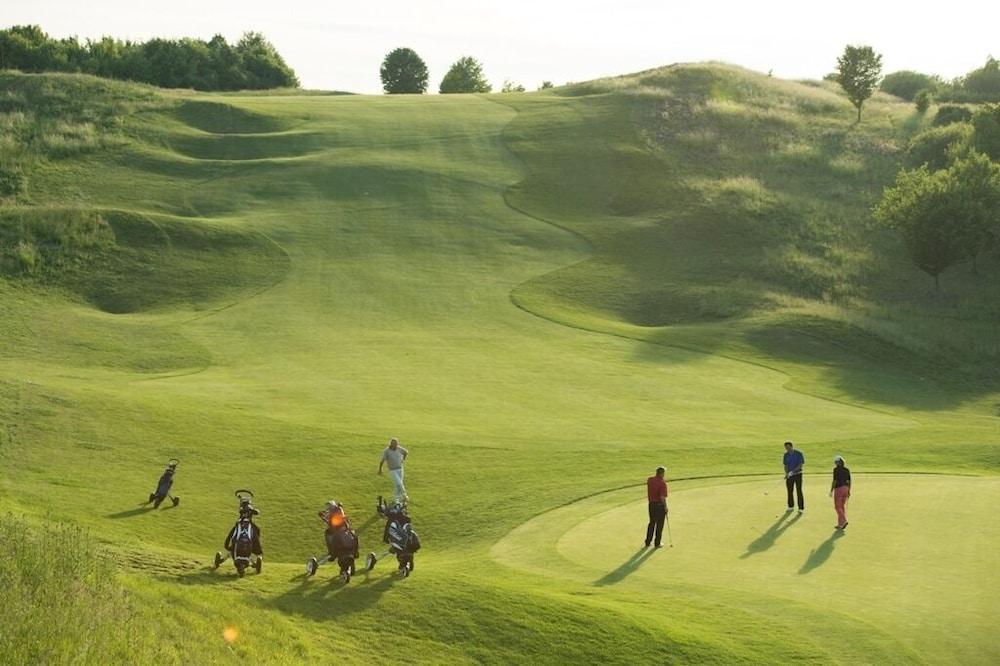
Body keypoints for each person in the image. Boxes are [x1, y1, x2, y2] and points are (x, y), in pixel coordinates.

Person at [645, 466, 668, 548]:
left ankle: (648, 542)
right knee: (659, 524)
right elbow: (662, 497)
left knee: (652, 523)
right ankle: (657, 543)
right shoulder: (662, 483)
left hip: (651, 505)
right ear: (662, 474)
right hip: (659, 505)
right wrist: (665, 507)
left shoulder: (650, 480)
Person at [783, 441, 805, 513]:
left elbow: (800, 465)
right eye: (786, 448)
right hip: (789, 475)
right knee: (790, 491)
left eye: (788, 448)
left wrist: (792, 472)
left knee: (799, 491)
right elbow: (785, 465)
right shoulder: (786, 455)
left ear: (792, 447)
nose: (787, 449)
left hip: (798, 475)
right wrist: (787, 473)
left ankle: (801, 508)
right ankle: (791, 506)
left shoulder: (798, 454)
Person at [830, 455, 851, 529]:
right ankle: (840, 524)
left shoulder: (836, 470)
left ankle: (844, 520)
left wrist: (831, 490)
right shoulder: (847, 470)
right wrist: (849, 491)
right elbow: (849, 481)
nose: (835, 463)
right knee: (842, 506)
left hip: (839, 489)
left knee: (837, 507)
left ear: (839, 462)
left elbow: (835, 481)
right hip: (846, 488)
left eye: (836, 462)